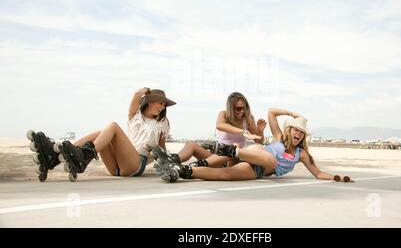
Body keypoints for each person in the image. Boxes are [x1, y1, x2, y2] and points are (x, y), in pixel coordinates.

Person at [151, 108, 352, 183]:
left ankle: (182, 171)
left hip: (257, 169)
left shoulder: (302, 154)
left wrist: (336, 177)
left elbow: (318, 174)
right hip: (256, 153)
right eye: (296, 130)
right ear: (290, 130)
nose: (298, 134)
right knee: (271, 159)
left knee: (227, 175)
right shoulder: (278, 138)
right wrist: (292, 114)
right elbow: (272, 112)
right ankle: (228, 150)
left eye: (302, 132)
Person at [27, 88, 175, 181]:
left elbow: (162, 148)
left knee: (113, 126)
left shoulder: (162, 123)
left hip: (136, 165)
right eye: (161, 103)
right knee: (101, 133)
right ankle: (53, 158)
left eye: (164, 105)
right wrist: (147, 90)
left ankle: (83, 157)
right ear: (150, 102)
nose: (163, 108)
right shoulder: (135, 117)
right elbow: (137, 94)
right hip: (116, 166)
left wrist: (169, 163)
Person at [153, 92, 267, 169]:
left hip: (232, 159)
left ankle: (190, 167)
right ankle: (171, 160)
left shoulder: (248, 118)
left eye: (244, 107)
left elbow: (258, 143)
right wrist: (243, 132)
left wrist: (260, 131)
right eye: (238, 108)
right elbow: (220, 125)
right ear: (231, 108)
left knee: (234, 148)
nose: (242, 111)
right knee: (191, 144)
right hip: (215, 157)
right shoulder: (224, 115)